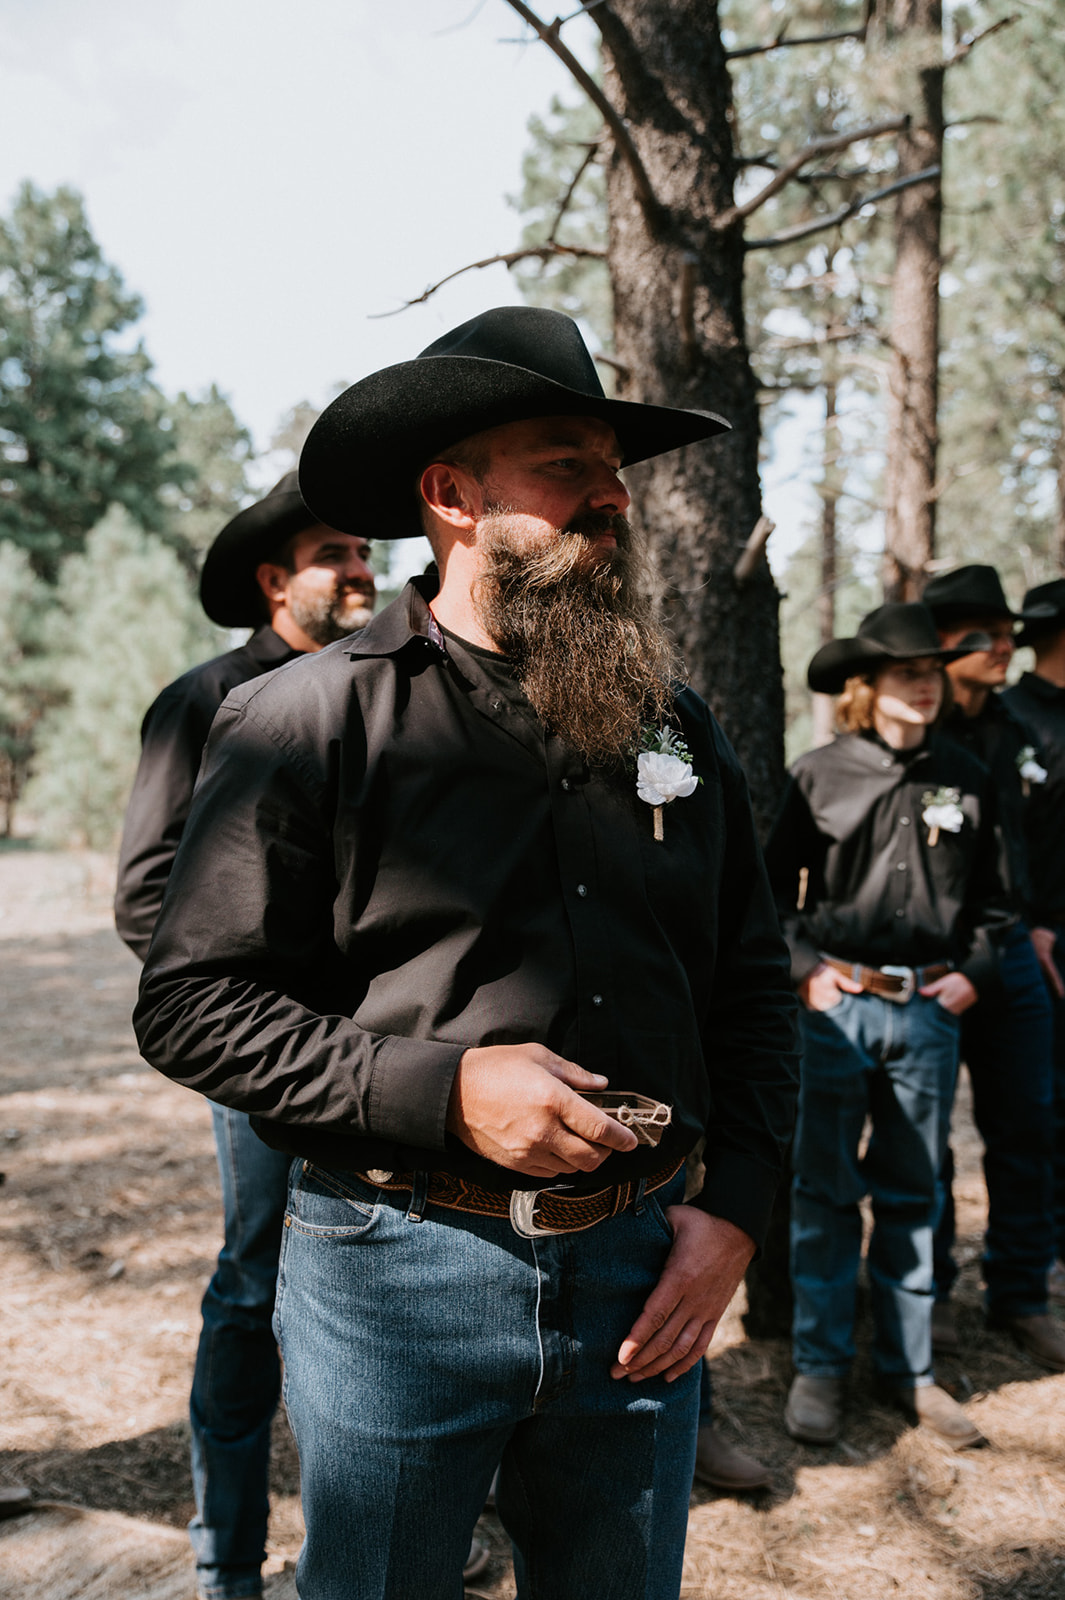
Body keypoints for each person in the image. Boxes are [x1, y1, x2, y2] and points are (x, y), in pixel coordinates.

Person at [132, 305, 800, 1600]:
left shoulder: (672, 727)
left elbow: (750, 980)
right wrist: (444, 1091)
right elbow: (192, 1005)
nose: (611, 499)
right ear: (449, 495)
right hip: (394, 1269)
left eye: (614, 471)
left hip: (639, 1271)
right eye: (565, 464)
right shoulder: (301, 719)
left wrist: (735, 1215)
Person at [115, 473, 376, 1600]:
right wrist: (271, 1018)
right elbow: (147, 896)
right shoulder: (205, 701)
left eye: (367, 556)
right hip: (275, 1054)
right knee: (254, 1284)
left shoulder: (386, 696)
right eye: (336, 557)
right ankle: (227, 1556)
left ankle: (371, 1533)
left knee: (381, 1292)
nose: (362, 574)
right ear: (276, 581)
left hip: (402, 1062)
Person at [766, 602, 1011, 1450]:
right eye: (906, 673)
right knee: (824, 1193)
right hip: (837, 1013)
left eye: (933, 673)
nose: (923, 686)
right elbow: (769, 900)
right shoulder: (816, 774)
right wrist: (810, 977)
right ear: (866, 685)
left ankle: (910, 1374)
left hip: (927, 1017)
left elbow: (994, 904)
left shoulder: (969, 778)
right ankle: (820, 1369)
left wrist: (970, 977)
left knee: (916, 1192)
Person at [922, 565, 1065, 1371]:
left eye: (1009, 631)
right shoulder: (914, 728)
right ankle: (931, 1303)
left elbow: (1033, 839)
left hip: (1012, 956)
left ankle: (1019, 1295)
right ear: (942, 646)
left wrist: (1039, 922)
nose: (1006, 645)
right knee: (926, 1142)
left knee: (1026, 1127)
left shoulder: (1018, 727)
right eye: (985, 634)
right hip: (936, 960)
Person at [1003, 578, 1065, 1311]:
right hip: (1041, 938)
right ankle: (1033, 1266)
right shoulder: (1014, 719)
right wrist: (1034, 925)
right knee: (1041, 1108)